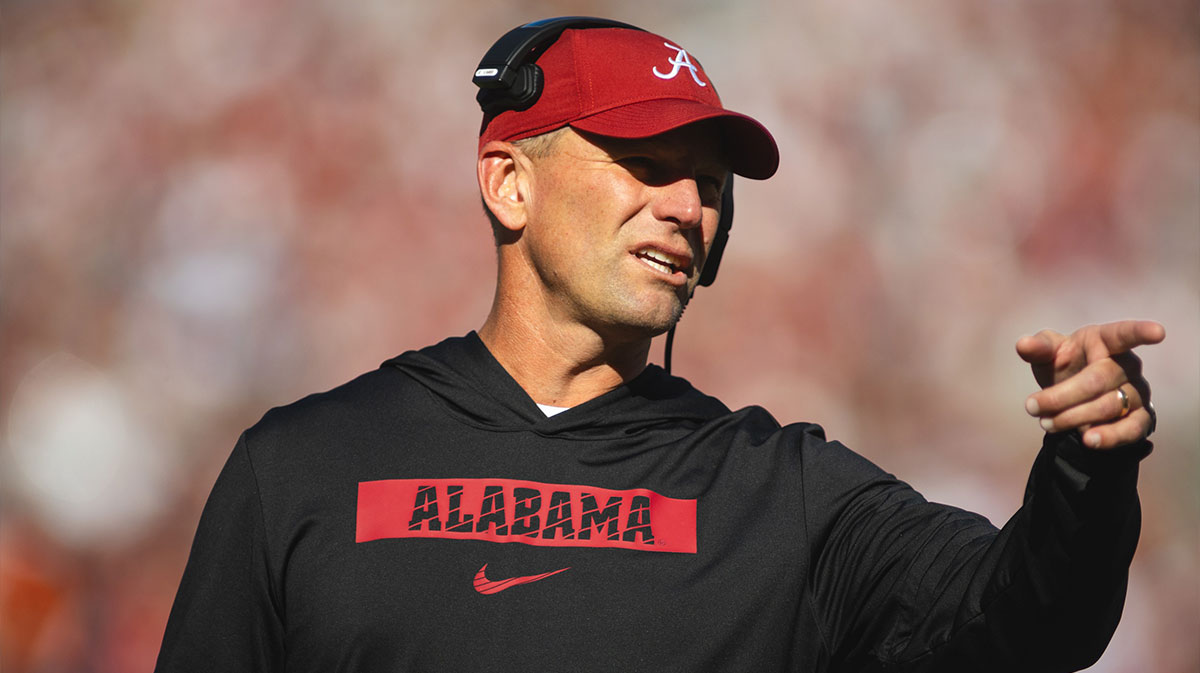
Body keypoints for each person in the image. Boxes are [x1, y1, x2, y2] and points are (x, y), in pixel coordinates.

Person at [154, 18, 1165, 673]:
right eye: (645, 163)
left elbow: (1031, 623)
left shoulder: (787, 495)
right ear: (510, 181)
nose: (687, 207)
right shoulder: (302, 467)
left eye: (710, 185)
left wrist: (1087, 466)